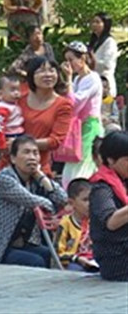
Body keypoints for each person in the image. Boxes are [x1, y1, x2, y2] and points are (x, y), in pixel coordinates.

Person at [0, 135, 67, 267]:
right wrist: (52, 207)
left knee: (50, 254)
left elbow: (63, 198)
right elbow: (36, 202)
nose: (32, 157)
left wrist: (41, 176)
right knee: (36, 262)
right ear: (13, 158)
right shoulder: (5, 178)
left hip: (23, 243)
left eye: (35, 153)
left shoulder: (35, 179)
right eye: (26, 152)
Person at [17, 56, 73, 177]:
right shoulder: (19, 99)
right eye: (41, 71)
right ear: (31, 76)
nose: (48, 75)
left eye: (52, 70)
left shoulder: (63, 105)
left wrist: (20, 146)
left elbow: (55, 141)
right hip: (11, 165)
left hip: (39, 168)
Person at [61, 41, 103, 187]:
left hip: (89, 127)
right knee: (75, 165)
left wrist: (67, 79)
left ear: (82, 58)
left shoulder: (92, 78)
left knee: (81, 166)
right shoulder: (78, 78)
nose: (68, 64)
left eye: (71, 59)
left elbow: (75, 104)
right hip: (78, 127)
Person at [89, 131, 128, 281]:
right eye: (126, 159)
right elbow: (111, 222)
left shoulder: (124, 181)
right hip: (116, 257)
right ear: (111, 160)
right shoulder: (102, 188)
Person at [56, 179, 97, 271]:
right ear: (71, 202)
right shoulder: (66, 223)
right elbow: (57, 253)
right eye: (85, 200)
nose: (90, 204)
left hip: (94, 259)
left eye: (92, 199)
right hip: (74, 262)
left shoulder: (96, 220)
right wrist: (76, 258)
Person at [0, 75, 24, 172]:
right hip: (9, 135)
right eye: (12, 90)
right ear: (1, 93)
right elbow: (0, 126)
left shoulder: (14, 104)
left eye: (18, 90)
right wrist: (2, 144)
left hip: (18, 133)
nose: (16, 93)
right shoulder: (2, 108)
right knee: (7, 160)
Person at [89, 12, 118, 97]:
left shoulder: (110, 42)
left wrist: (92, 61)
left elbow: (107, 64)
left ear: (106, 25)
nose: (94, 24)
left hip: (105, 84)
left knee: (106, 109)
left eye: (98, 22)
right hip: (93, 82)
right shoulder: (93, 41)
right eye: (93, 22)